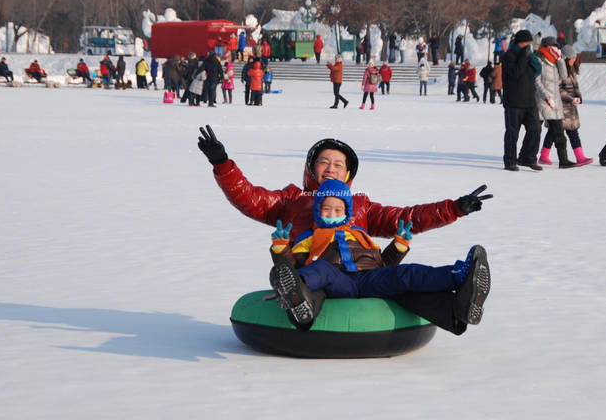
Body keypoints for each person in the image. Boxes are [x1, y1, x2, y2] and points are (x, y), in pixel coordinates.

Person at [196, 125, 494, 335]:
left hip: (366, 274)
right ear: (311, 168)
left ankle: (462, 289)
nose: (330, 168)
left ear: (348, 173)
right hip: (321, 274)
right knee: (320, 274)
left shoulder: (361, 205)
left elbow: (407, 217)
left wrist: (454, 208)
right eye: (323, 162)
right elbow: (250, 198)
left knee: (408, 276)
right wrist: (222, 164)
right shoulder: (292, 200)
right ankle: (296, 293)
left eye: (338, 164)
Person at [267, 178, 490, 330]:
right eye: (326, 209)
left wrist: (399, 246)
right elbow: (293, 264)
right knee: (322, 270)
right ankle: (297, 291)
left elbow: (382, 263)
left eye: (338, 210)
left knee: (406, 273)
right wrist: (281, 247)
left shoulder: (360, 234)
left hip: (368, 278)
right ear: (317, 211)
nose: (332, 214)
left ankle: (459, 276)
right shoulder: (310, 237)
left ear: (347, 212)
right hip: (337, 281)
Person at [540, 43, 591, 167]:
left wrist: (578, 98)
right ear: (566, 58)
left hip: (571, 109)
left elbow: (575, 88)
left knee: (573, 132)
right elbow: (557, 89)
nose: (574, 60)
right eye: (572, 58)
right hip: (560, 108)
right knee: (554, 132)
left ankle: (580, 157)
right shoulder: (558, 71)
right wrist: (570, 98)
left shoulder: (571, 72)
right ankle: (543, 155)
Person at [501, 29, 542, 171]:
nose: (529, 47)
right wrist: (524, 57)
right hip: (513, 101)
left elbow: (537, 72)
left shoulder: (530, 57)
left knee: (535, 128)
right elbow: (515, 73)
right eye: (527, 44)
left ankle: (527, 157)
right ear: (520, 43)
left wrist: (533, 59)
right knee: (512, 133)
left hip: (530, 100)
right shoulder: (509, 56)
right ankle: (510, 161)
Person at [533, 37, 576, 168]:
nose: (556, 49)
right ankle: (529, 157)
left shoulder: (556, 60)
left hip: (554, 102)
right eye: (554, 47)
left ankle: (563, 160)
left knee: (559, 133)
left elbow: (563, 76)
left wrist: (560, 60)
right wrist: (545, 96)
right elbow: (536, 81)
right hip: (541, 100)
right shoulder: (539, 59)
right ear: (547, 47)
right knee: (535, 131)